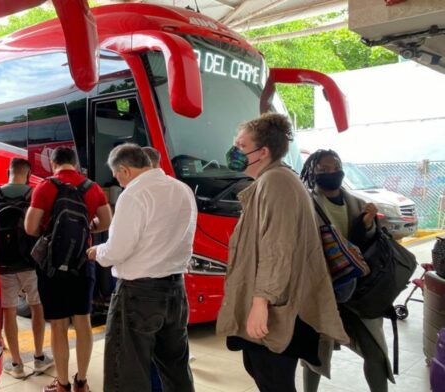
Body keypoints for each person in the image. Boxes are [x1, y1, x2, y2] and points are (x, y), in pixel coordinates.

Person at [216, 113, 348, 392]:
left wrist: (260, 304)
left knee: (274, 380)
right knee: (262, 373)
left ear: (262, 152)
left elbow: (278, 250)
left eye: (241, 146)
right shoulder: (272, 180)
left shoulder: (276, 182)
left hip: (279, 310)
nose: (234, 151)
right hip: (275, 305)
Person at [86, 143, 197, 392]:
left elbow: (118, 249)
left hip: (138, 294)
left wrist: (98, 252)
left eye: (117, 176)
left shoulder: (133, 195)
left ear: (124, 170)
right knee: (175, 366)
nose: (119, 182)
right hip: (176, 290)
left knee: (126, 370)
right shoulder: (182, 189)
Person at [300, 149, 393, 392]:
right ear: (313, 172)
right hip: (322, 291)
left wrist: (368, 225)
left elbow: (367, 245)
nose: (332, 173)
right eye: (324, 170)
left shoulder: (358, 204)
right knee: (314, 356)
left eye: (336, 167)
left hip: (359, 292)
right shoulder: (306, 203)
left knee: (375, 353)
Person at [25, 147, 112, 392]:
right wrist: (86, 228)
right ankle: (81, 382)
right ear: (76, 163)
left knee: (59, 325)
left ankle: (62, 384)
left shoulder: (45, 187)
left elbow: (30, 227)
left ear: (54, 164)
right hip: (83, 262)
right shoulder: (92, 188)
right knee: (83, 321)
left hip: (52, 267)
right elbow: (106, 222)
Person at [0, 158, 54, 378]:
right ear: (27, 174)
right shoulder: (33, 194)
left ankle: (17, 364)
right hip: (30, 262)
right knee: (37, 306)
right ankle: (39, 358)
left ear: (9, 171)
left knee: (9, 311)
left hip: (3, 264)